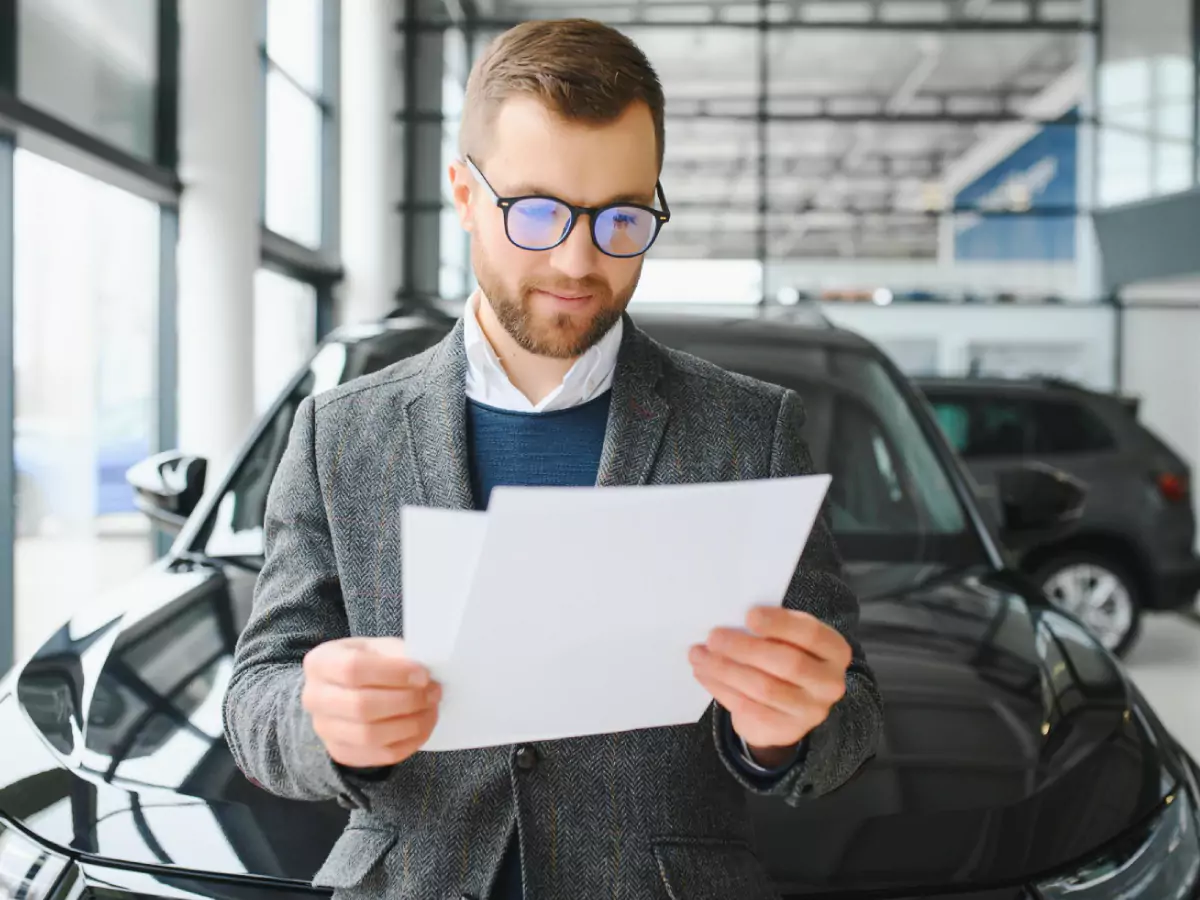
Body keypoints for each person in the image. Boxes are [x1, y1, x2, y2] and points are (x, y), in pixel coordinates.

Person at [223, 17, 883, 900]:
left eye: (622, 217)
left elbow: (851, 714)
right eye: (535, 211)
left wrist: (787, 729)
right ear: (464, 193)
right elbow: (256, 695)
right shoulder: (341, 432)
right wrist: (317, 720)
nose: (579, 261)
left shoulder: (750, 430)